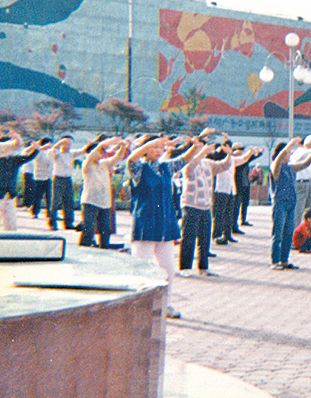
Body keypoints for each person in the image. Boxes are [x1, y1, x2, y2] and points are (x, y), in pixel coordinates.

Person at [126, 135, 184, 318]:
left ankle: (164, 305)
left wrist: (198, 147)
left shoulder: (166, 168)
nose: (158, 151)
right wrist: (149, 143)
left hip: (166, 226)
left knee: (167, 268)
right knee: (140, 268)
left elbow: (186, 159)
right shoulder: (139, 169)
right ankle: (136, 307)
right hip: (145, 225)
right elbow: (131, 159)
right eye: (154, 148)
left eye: (160, 148)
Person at [177, 134, 231, 275]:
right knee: (188, 238)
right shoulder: (187, 164)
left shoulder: (207, 163)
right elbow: (190, 166)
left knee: (204, 239)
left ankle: (203, 267)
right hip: (190, 205)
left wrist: (229, 155)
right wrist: (201, 151)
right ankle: (185, 268)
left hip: (205, 206)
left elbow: (223, 166)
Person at [269, 137, 311, 270]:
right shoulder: (276, 167)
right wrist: (289, 145)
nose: (290, 154)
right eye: (288, 152)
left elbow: (304, 164)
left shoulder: (290, 167)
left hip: (291, 202)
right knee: (278, 233)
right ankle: (275, 261)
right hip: (280, 203)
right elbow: (278, 161)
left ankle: (284, 260)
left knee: (288, 233)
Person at [79, 136, 128, 248]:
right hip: (90, 201)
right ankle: (83, 248)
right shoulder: (87, 164)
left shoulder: (104, 164)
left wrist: (122, 146)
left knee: (105, 229)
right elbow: (96, 151)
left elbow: (118, 157)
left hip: (105, 202)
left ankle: (104, 248)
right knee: (88, 229)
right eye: (101, 152)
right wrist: (109, 142)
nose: (102, 154)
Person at [0, 131, 35, 231]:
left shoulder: (14, 160)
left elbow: (28, 157)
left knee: (10, 220)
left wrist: (36, 149)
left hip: (9, 193)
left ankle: (10, 237)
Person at [50, 136, 85, 230]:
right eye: (66, 143)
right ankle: (52, 223)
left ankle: (68, 222)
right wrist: (60, 142)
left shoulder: (71, 154)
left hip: (67, 179)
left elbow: (83, 150)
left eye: (70, 144)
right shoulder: (57, 153)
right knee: (55, 202)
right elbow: (53, 149)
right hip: (58, 179)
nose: (68, 146)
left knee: (69, 201)